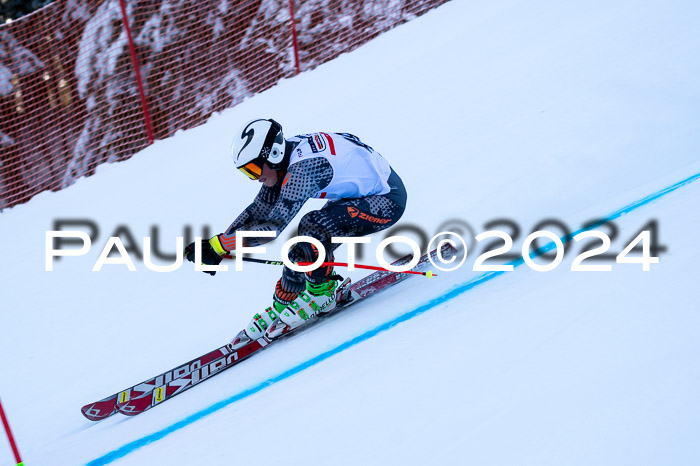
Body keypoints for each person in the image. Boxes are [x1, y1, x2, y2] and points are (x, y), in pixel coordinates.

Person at [185, 118, 407, 348]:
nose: (255, 178)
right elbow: (258, 211)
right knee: (300, 252)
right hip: (356, 195)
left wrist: (221, 245)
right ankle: (284, 303)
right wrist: (215, 245)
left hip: (387, 199)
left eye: (253, 169)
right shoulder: (281, 161)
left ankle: (322, 293)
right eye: (246, 172)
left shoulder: (304, 170)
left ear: (272, 155)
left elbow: (270, 229)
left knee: (312, 226)